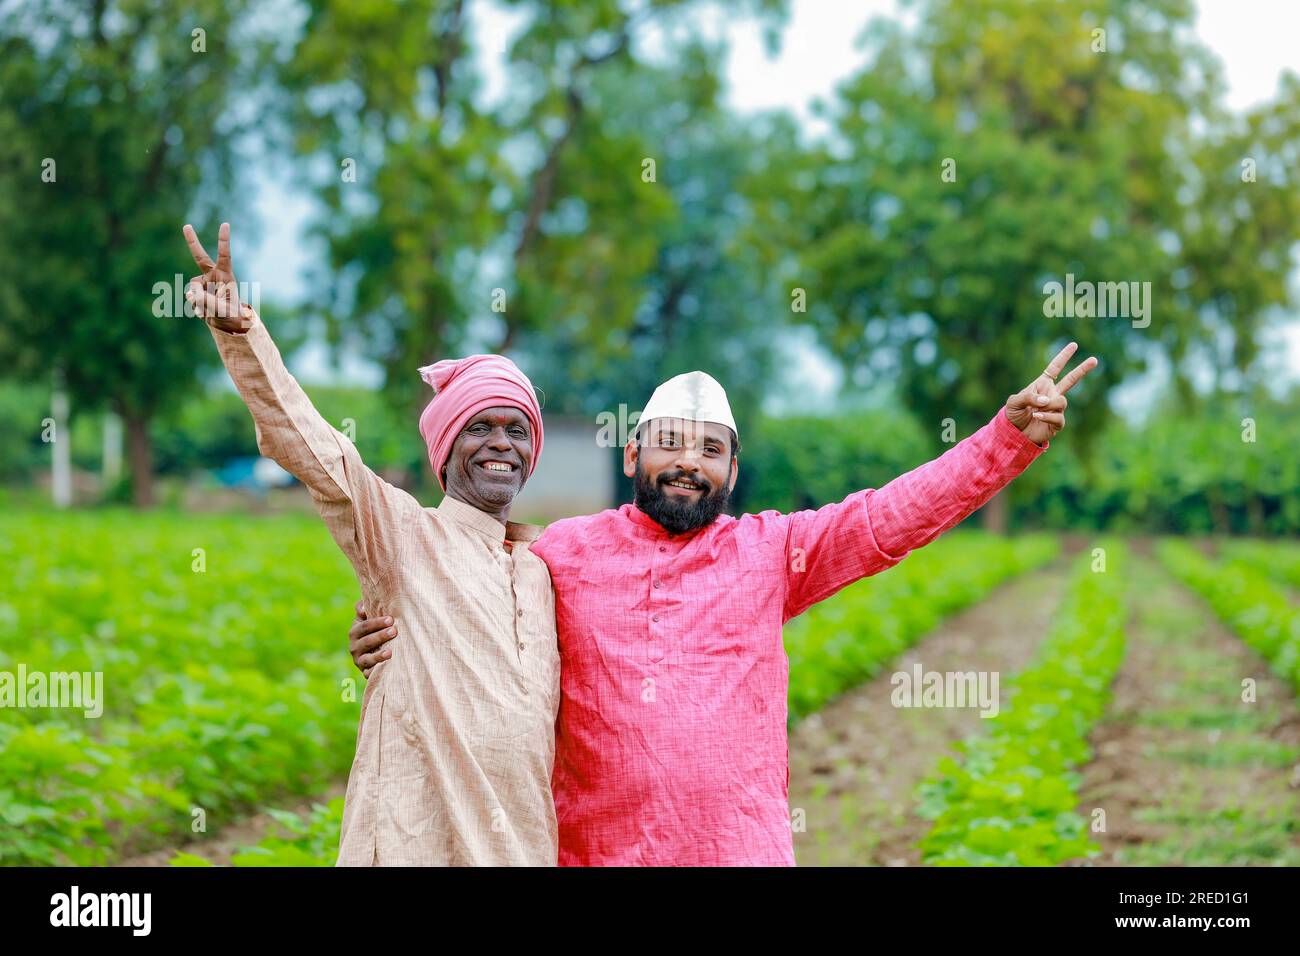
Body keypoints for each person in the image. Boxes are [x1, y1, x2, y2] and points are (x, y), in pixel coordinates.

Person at [351, 347, 1097, 865]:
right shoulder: (560, 553)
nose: (688, 463)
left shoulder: (771, 554)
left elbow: (889, 519)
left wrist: (1007, 441)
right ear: (632, 455)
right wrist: (389, 635)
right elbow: (461, 597)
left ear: (733, 469)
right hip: (593, 856)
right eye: (670, 445)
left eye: (710, 451)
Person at [183, 222, 560, 865]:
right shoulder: (404, 534)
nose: (502, 443)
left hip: (523, 846)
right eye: (481, 427)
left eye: (518, 430)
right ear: (445, 451)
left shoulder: (547, 566)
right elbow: (318, 452)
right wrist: (243, 333)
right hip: (416, 839)